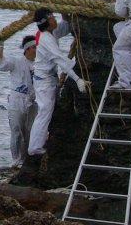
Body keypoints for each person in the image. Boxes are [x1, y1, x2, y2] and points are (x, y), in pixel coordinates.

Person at [27, 8, 88, 158]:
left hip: (48, 79)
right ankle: (34, 148)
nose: (55, 20)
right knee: (44, 112)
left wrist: (64, 13)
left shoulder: (48, 33)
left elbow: (65, 27)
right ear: (46, 23)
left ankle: (39, 142)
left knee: (47, 112)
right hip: (44, 82)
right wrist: (78, 79)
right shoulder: (46, 40)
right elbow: (61, 60)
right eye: (52, 18)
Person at [0, 34, 38, 167]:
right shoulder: (16, 61)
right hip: (17, 100)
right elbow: (0, 65)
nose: (37, 50)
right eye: (34, 47)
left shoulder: (40, 64)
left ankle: (27, 159)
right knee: (16, 130)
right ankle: (16, 159)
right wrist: (0, 47)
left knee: (30, 131)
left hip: (34, 101)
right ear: (27, 49)